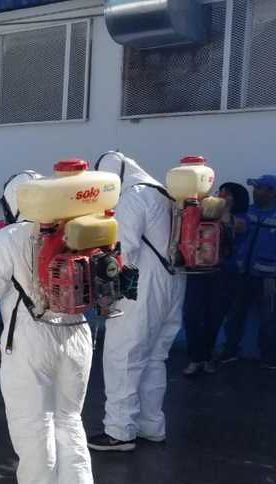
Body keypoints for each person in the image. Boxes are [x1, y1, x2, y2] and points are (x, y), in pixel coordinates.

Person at [0, 172, 94, 484]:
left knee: (34, 424)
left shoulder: (10, 236)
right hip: (78, 333)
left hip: (32, 339)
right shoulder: (76, 231)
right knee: (69, 418)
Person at [88, 153, 185, 453]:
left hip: (141, 286)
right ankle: (151, 425)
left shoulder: (133, 197)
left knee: (123, 357)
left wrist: (104, 291)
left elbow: (123, 253)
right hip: (174, 283)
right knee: (155, 358)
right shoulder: (166, 194)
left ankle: (119, 431)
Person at [182, 182, 249, 376]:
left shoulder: (243, 219)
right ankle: (195, 358)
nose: (222, 195)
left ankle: (207, 357)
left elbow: (234, 226)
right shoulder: (204, 212)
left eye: (228, 194)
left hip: (223, 274)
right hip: (199, 271)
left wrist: (223, 207)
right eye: (221, 191)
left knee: (214, 317)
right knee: (192, 315)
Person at [221, 175, 276, 370]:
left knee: (269, 319)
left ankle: (269, 359)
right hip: (241, 274)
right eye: (255, 188)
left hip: (270, 278)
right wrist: (226, 207)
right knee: (234, 316)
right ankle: (229, 352)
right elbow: (234, 228)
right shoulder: (246, 212)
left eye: (260, 188)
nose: (255, 192)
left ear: (272, 192)